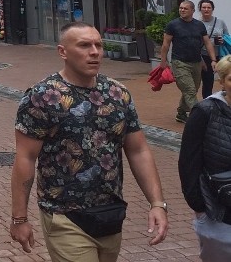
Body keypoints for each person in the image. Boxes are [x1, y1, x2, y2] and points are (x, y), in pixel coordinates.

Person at [10, 22, 168, 260]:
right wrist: (19, 218)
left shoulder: (117, 93)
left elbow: (138, 150)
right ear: (63, 52)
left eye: (98, 45)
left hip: (110, 213)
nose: (94, 51)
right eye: (84, 45)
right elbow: (26, 157)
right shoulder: (43, 96)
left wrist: (157, 203)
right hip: (65, 215)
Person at [179, 55, 231, 260]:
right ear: (222, 81)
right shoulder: (205, 111)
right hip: (217, 211)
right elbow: (188, 163)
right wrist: (199, 207)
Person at [160, 1, 218, 123]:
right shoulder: (173, 25)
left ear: (192, 11)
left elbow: (207, 43)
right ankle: (200, 118)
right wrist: (163, 61)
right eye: (180, 8)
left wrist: (213, 60)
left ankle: (181, 113)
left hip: (196, 62)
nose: (182, 10)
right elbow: (166, 44)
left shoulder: (199, 25)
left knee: (193, 89)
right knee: (190, 90)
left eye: (185, 8)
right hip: (180, 63)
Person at [198, 0, 228, 100]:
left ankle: (226, 102)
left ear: (212, 9)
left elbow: (227, 37)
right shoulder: (196, 24)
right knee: (208, 82)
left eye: (209, 7)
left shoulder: (220, 22)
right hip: (205, 56)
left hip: (220, 55)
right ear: (200, 9)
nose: (206, 9)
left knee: (226, 79)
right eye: (204, 7)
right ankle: (207, 104)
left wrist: (222, 40)